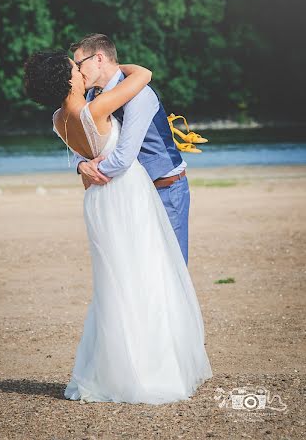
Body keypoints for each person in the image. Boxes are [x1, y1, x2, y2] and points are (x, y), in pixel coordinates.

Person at [23, 48, 213, 405]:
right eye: (73, 68)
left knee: (116, 282)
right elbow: (143, 74)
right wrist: (108, 62)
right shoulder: (97, 108)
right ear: (68, 79)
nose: (80, 71)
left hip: (98, 201)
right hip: (126, 195)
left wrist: (82, 167)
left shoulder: (57, 119)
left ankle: (113, 367)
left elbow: (83, 151)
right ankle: (151, 368)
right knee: (147, 276)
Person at [70, 33, 190, 265]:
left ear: (99, 59)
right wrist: (81, 164)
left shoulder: (139, 93)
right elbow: (80, 139)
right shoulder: (93, 96)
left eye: (78, 63)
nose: (76, 71)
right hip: (130, 192)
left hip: (164, 189)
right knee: (138, 267)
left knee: (172, 269)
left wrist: (94, 171)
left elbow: (124, 157)